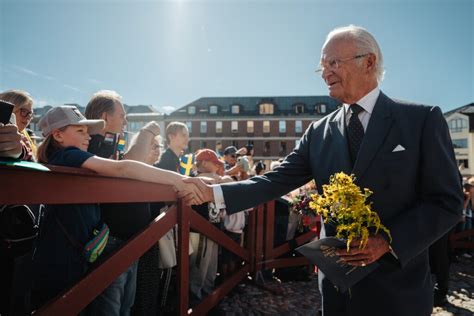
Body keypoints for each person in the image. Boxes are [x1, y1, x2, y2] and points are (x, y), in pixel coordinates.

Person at [183, 25, 463, 316]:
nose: (326, 73)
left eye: (333, 62)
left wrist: (387, 242)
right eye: (322, 66)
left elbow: (446, 202)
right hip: (336, 292)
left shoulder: (421, 120)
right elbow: (275, 180)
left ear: (368, 62)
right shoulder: (318, 132)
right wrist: (212, 192)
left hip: (397, 290)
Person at [31, 106, 203, 310]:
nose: (88, 137)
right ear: (58, 135)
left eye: (87, 131)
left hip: (69, 252)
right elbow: (123, 168)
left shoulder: (66, 157)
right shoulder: (68, 154)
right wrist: (178, 179)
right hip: (64, 258)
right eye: (80, 131)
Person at [0, 90, 37, 161]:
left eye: (30, 113)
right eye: (24, 111)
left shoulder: (26, 136)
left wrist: (20, 152)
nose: (28, 117)